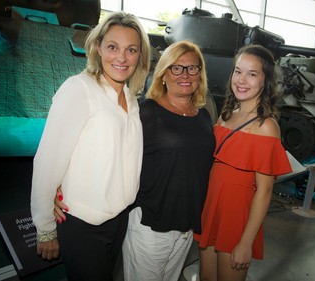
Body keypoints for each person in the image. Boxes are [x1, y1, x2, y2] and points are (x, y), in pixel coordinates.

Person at [54, 40, 216, 281]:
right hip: (151, 225)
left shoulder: (203, 116)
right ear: (163, 74)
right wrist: (58, 184)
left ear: (199, 74)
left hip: (186, 224)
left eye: (192, 68)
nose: (185, 74)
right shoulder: (146, 112)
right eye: (176, 68)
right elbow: (104, 151)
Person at [30, 11, 150, 281]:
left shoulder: (130, 98)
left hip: (118, 220)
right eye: (112, 47)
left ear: (140, 55)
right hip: (83, 225)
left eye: (131, 49)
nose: (121, 57)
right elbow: (48, 160)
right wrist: (45, 228)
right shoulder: (79, 89)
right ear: (98, 48)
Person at [193, 44, 292, 281]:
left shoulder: (267, 127)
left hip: (237, 216)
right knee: (207, 277)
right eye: (238, 71)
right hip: (210, 209)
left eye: (252, 74)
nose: (242, 80)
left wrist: (246, 242)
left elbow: (265, 191)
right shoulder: (226, 116)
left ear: (265, 80)